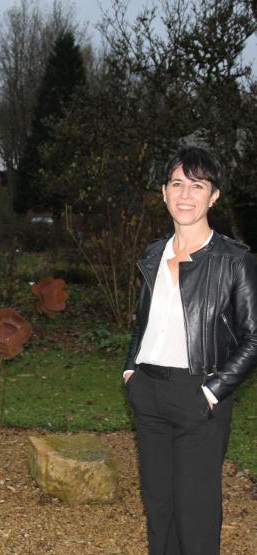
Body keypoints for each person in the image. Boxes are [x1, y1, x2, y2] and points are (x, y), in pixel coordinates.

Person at [123, 145, 257, 555]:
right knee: (160, 510)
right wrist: (131, 368)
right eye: (177, 184)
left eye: (196, 185)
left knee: (195, 515)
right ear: (163, 192)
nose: (185, 194)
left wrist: (213, 390)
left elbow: (254, 337)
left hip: (199, 397)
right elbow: (146, 323)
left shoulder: (235, 261)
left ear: (213, 195)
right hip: (148, 394)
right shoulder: (152, 254)